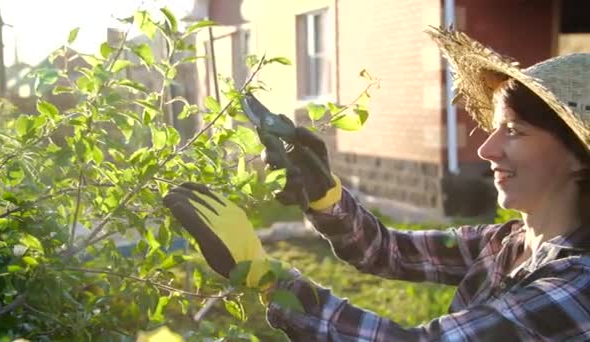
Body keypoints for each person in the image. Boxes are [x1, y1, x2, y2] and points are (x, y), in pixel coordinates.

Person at [163, 27, 590, 341]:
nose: (486, 149)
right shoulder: (507, 243)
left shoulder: (577, 288)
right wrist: (326, 196)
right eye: (495, 129)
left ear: (579, 157)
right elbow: (388, 252)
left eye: (514, 132)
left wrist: (267, 276)